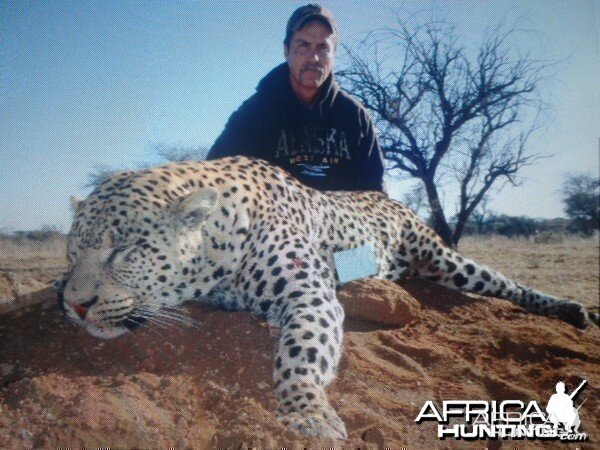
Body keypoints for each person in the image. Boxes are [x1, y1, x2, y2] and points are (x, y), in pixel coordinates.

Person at [207, 4, 385, 192]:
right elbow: (214, 177)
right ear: (286, 50)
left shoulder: (355, 117)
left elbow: (376, 195)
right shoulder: (254, 113)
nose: (314, 58)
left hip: (341, 221)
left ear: (334, 55)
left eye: (323, 47)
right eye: (304, 45)